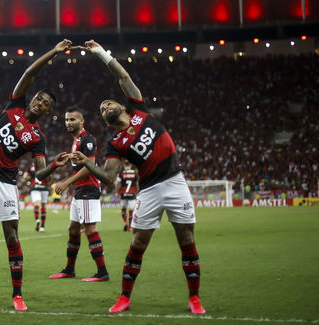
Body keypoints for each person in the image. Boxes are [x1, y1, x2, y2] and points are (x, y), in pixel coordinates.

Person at [70, 40, 206, 314]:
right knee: (138, 242)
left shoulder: (139, 111)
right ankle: (124, 296)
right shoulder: (115, 142)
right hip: (150, 190)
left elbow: (123, 75)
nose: (105, 106)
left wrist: (100, 53)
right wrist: (87, 161)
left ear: (121, 105)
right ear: (106, 121)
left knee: (187, 239)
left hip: (175, 181)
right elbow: (109, 177)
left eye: (109, 103)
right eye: (102, 109)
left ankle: (194, 298)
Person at [0, 39, 73, 311]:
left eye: (44, 104)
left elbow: (40, 175)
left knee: (12, 237)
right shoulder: (14, 106)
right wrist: (53, 53)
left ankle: (18, 295)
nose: (39, 102)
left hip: (5, 184)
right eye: (38, 98)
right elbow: (28, 74)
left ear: (47, 112)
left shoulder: (38, 138)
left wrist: (55, 164)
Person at [49, 107, 109, 282]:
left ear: (82, 121)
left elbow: (89, 165)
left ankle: (102, 272)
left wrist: (67, 182)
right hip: (80, 190)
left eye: (72, 120)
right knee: (73, 229)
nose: (68, 123)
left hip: (88, 189)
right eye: (66, 120)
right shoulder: (76, 140)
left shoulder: (87, 140)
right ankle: (69, 269)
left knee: (90, 229)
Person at [24, 163, 49, 231]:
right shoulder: (46, 166)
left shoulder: (31, 167)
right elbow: (50, 177)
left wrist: (29, 179)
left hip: (35, 187)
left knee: (36, 205)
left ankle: (37, 220)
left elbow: (25, 177)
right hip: (44, 187)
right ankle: (43, 227)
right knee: (43, 206)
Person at [115, 160, 139, 231]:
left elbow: (118, 183)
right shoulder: (134, 173)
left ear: (124, 165)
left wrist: (116, 192)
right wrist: (136, 191)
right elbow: (137, 184)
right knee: (131, 210)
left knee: (123, 209)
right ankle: (130, 227)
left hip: (123, 194)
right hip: (132, 194)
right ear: (131, 165)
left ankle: (125, 222)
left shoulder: (121, 173)